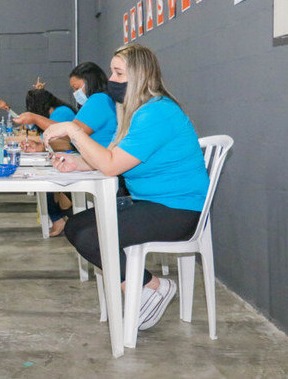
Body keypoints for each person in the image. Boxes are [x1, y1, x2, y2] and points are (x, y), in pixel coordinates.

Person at [42, 44, 209, 331]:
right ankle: (152, 287)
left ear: (141, 77)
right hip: (150, 203)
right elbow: (109, 158)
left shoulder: (157, 114)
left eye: (119, 73)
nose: (111, 79)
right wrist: (76, 163)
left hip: (179, 211)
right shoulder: (134, 114)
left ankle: (146, 290)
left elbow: (109, 165)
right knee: (78, 227)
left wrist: (72, 130)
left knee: (92, 234)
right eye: (112, 72)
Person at [26, 62, 116, 235]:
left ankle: (62, 215)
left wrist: (35, 118)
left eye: (77, 88)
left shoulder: (99, 100)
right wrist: (41, 147)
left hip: (99, 165)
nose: (76, 94)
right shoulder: (101, 101)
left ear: (89, 81)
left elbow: (71, 132)